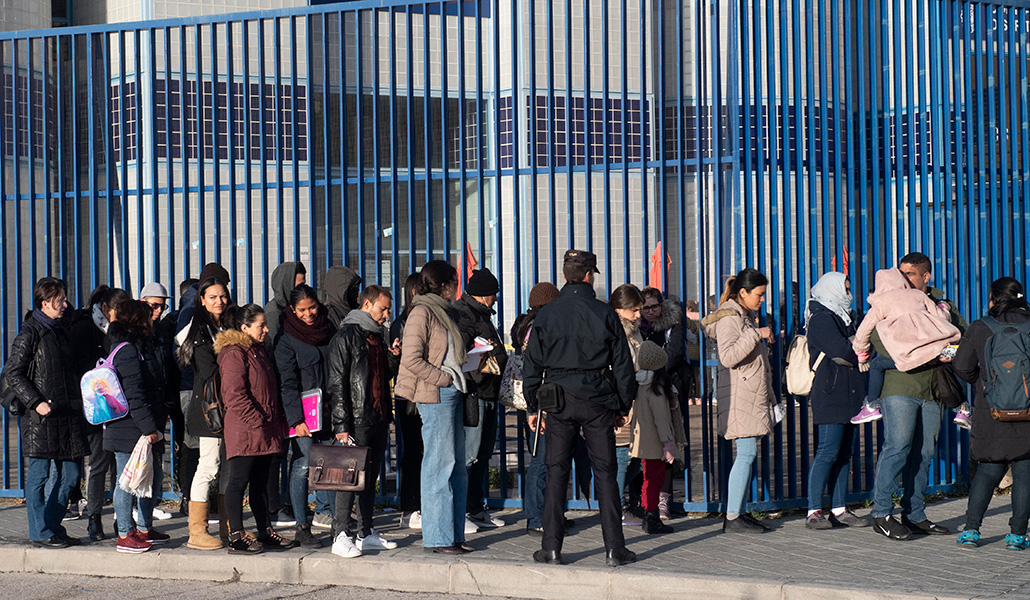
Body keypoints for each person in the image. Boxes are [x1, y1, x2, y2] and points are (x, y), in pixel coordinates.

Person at [523, 249, 638, 567]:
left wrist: (533, 406)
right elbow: (623, 366)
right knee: (606, 474)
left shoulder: (546, 314)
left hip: (557, 400)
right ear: (589, 275)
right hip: (598, 398)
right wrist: (622, 404)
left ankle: (551, 548)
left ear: (564, 276)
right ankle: (615, 549)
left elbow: (532, 364)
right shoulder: (604, 313)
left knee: (556, 472)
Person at [868, 252, 967, 541]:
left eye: (910, 273)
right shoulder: (889, 298)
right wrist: (925, 354)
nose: (903, 278)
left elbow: (961, 336)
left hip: (933, 389)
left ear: (926, 277)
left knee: (924, 453)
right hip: (899, 386)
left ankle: (914, 514)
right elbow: (877, 339)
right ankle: (881, 512)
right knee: (897, 446)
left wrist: (943, 356)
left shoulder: (941, 304)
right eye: (901, 272)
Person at [3, 277, 90, 548]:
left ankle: (51, 525)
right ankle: (40, 531)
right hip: (42, 418)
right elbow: (12, 372)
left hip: (66, 414)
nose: (65, 304)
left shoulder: (59, 330)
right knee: (39, 476)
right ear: (45, 303)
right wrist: (35, 401)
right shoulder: (31, 332)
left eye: (64, 298)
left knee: (72, 475)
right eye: (60, 299)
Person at [395, 260, 471, 555]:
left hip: (454, 392)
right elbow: (411, 359)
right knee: (439, 466)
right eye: (455, 281)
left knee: (457, 468)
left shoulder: (444, 312)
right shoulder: (421, 312)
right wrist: (445, 379)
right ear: (444, 285)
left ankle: (454, 534)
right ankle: (438, 538)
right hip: (436, 394)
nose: (457, 287)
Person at [952, 277, 1030, 550]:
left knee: (987, 471)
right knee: (1025, 474)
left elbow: (961, 366)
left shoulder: (980, 327)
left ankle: (971, 530)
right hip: (1028, 413)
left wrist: (983, 383)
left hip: (990, 410)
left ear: (995, 298)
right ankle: (1017, 536)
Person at [326, 285, 401, 558]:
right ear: (367, 305)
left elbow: (383, 376)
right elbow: (337, 384)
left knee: (369, 477)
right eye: (383, 308)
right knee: (348, 478)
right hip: (356, 419)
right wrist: (341, 426)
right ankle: (340, 534)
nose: (387, 314)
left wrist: (393, 357)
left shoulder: (377, 336)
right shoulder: (346, 336)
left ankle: (366, 532)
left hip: (377, 415)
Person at [215, 304, 294, 554]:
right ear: (244, 327)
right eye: (261, 325)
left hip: (264, 428)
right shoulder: (234, 353)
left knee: (260, 483)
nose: (266, 329)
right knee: (239, 481)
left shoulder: (257, 350)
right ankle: (236, 536)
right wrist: (257, 419)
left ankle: (265, 531)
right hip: (246, 429)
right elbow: (234, 394)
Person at [701, 268, 775, 534]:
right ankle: (733, 516)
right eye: (760, 294)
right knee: (746, 454)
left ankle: (739, 513)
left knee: (747, 454)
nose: (762, 300)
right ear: (743, 292)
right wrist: (756, 334)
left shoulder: (743, 315)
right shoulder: (732, 318)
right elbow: (729, 356)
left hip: (749, 394)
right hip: (741, 395)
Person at [850, 267, 962, 425]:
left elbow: (864, 330)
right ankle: (963, 408)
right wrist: (944, 308)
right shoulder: (918, 295)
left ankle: (871, 405)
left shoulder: (881, 302)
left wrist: (861, 354)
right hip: (933, 351)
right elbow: (942, 317)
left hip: (909, 356)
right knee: (954, 365)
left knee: (876, 364)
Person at [802, 272, 871, 530]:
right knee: (827, 451)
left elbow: (864, 347)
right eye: (846, 288)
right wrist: (857, 349)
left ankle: (840, 508)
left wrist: (857, 348)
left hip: (850, 392)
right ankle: (813, 510)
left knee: (845, 453)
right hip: (830, 393)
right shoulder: (821, 318)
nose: (850, 294)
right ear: (832, 290)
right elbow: (844, 350)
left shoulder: (845, 317)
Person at [103, 300, 171, 553]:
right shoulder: (127, 351)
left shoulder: (140, 347)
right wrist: (149, 429)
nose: (153, 319)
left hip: (141, 426)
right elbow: (134, 394)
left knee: (150, 479)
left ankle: (144, 527)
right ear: (137, 321)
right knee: (127, 482)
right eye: (147, 316)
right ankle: (124, 534)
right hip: (129, 429)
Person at [274, 284, 337, 548]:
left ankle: (339, 523)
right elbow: (286, 383)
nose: (309, 314)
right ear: (292, 309)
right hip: (304, 416)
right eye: (302, 310)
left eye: (312, 307)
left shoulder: (329, 327)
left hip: (331, 409)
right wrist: (296, 420)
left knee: (334, 466)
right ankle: (302, 526)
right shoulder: (286, 338)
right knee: (301, 467)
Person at [66, 285, 130, 541]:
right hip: (96, 406)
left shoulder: (121, 330)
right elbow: (75, 366)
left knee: (120, 464)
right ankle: (93, 517)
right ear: (105, 309)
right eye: (119, 310)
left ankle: (120, 517)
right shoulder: (84, 328)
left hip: (120, 405)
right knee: (99, 464)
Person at [452, 268, 508, 531]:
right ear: (484, 295)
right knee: (469, 456)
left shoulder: (481, 314)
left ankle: (475, 508)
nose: (496, 298)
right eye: (493, 294)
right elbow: (464, 354)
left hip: (488, 392)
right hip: (475, 393)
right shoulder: (464, 314)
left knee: (483, 454)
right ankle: (460, 510)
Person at [176, 277, 231, 550]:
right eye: (212, 297)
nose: (219, 301)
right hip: (210, 409)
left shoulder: (228, 323)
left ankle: (229, 526)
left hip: (231, 407)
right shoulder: (200, 330)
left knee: (228, 468)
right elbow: (210, 371)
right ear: (201, 299)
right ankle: (196, 532)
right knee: (208, 467)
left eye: (222, 296)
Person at [511, 282, 561, 534]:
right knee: (541, 459)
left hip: (537, 399)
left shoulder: (525, 325)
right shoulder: (539, 327)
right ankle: (536, 518)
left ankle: (547, 515)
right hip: (543, 401)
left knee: (547, 458)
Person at [639, 287, 689, 519]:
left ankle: (663, 502)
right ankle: (641, 500)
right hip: (641, 391)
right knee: (643, 447)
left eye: (654, 306)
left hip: (667, 388)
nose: (650, 311)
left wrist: (654, 369)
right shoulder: (637, 328)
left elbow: (676, 353)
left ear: (662, 305)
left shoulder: (672, 324)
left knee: (667, 445)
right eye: (645, 307)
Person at [628, 341, 685, 534]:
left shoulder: (640, 383)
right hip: (655, 442)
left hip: (644, 440)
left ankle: (648, 512)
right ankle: (652, 517)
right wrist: (667, 442)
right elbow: (661, 417)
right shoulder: (656, 387)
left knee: (647, 478)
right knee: (655, 478)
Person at [139, 282, 179, 523]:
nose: (157, 311)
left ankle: (147, 509)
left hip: (160, 403)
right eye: (153, 306)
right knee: (138, 463)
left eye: (162, 307)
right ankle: (135, 512)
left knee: (155, 462)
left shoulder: (162, 330)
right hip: (141, 405)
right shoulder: (133, 331)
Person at [609, 284, 645, 518]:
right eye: (634, 310)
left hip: (636, 398)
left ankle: (616, 501)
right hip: (620, 400)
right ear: (620, 309)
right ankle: (616, 506)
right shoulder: (614, 331)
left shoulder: (634, 329)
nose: (639, 314)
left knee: (637, 456)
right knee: (622, 456)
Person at [392, 272, 424, 530]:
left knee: (419, 451)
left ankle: (416, 506)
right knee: (413, 451)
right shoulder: (404, 322)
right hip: (409, 396)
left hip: (416, 393)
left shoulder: (414, 318)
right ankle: (409, 507)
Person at [166, 278, 199, 517]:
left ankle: (187, 496)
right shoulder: (188, 318)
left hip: (177, 390)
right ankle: (190, 497)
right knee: (192, 445)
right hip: (188, 388)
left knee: (187, 445)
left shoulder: (172, 320)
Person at [264, 261, 307, 346]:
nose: (302, 289)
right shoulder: (274, 313)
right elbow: (270, 348)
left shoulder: (291, 308)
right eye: (299, 285)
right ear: (287, 285)